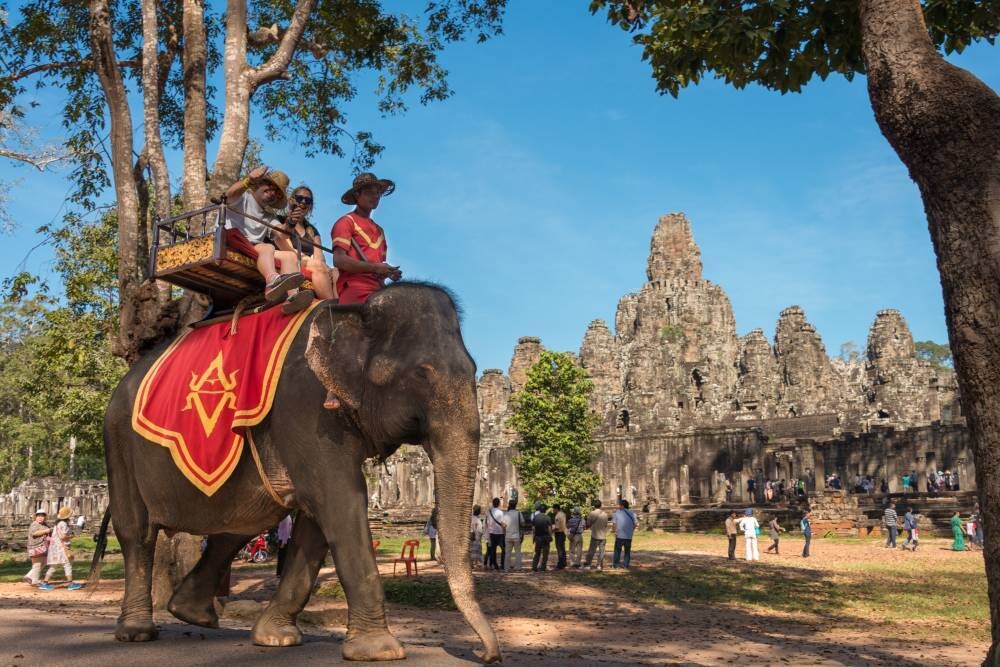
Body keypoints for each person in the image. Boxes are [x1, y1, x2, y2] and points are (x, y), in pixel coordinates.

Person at [224, 165, 310, 313]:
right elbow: (228, 195)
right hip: (233, 240)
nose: (273, 192)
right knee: (268, 247)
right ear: (258, 184)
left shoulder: (268, 216)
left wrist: (290, 222)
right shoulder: (242, 198)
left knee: (290, 256)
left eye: (277, 192)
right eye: (269, 185)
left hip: (254, 249)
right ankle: (272, 282)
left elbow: (282, 234)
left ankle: (292, 298)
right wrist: (249, 180)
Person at [330, 172, 402, 305]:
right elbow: (339, 260)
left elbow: (378, 268)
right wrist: (375, 268)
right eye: (369, 192)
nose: (375, 196)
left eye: (377, 192)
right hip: (355, 287)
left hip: (379, 288)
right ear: (357, 195)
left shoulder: (379, 231)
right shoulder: (346, 222)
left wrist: (388, 272)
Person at [275, 185, 336, 301]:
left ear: (310, 206)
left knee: (336, 272)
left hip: (311, 263)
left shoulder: (312, 230)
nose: (303, 202)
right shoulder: (280, 220)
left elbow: (319, 256)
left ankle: (341, 305)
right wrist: (313, 262)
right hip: (292, 258)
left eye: (308, 200)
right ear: (291, 200)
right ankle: (330, 305)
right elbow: (286, 247)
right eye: (299, 198)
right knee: (318, 265)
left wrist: (327, 268)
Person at [40, 506, 82, 590]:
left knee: (54, 565)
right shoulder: (63, 524)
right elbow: (62, 537)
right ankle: (70, 583)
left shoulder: (58, 523)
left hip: (56, 547)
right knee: (67, 564)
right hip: (61, 547)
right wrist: (71, 536)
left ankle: (45, 583)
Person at [24, 510, 50, 586]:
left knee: (45, 562)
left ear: (45, 517)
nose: (40, 518)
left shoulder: (45, 525)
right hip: (35, 547)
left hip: (43, 547)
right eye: (38, 516)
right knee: (37, 564)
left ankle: (29, 576)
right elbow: (34, 533)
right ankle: (35, 581)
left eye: (42, 516)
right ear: (35, 517)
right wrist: (46, 531)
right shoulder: (34, 524)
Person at [611, 499, 638, 569]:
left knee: (617, 551)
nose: (618, 506)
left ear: (622, 506)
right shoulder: (633, 514)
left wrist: (614, 531)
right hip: (628, 536)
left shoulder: (616, 513)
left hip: (619, 535)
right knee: (627, 551)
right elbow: (635, 524)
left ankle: (616, 564)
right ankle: (626, 565)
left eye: (619, 505)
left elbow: (614, 524)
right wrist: (631, 530)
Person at [583, 499, 609, 570]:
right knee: (601, 552)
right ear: (601, 505)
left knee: (591, 551)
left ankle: (588, 564)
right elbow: (606, 525)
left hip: (595, 535)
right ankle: (599, 565)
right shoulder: (605, 514)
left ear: (594, 505)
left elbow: (588, 523)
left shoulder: (592, 513)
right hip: (603, 535)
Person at [531, 502, 553, 572]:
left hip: (538, 537)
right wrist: (550, 536)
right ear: (546, 510)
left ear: (539, 510)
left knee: (537, 553)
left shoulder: (535, 517)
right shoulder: (548, 517)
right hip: (546, 537)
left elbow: (533, 528)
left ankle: (534, 567)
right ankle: (543, 567)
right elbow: (549, 528)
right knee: (545, 553)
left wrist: (534, 536)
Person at [485, 497, 505, 571]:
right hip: (500, 533)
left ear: (493, 504)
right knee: (504, 549)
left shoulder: (489, 512)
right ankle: (502, 564)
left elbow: (486, 522)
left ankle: (495, 565)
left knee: (493, 550)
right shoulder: (501, 512)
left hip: (491, 533)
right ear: (499, 504)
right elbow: (502, 523)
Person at [503, 499, 523, 571]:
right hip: (517, 535)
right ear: (515, 506)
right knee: (518, 552)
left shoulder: (506, 514)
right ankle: (518, 567)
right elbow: (523, 523)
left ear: (509, 505)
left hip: (508, 535)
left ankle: (506, 567)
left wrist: (505, 532)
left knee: (507, 553)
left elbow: (503, 525)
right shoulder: (519, 514)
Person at [276, 513, 293, 577]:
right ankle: (280, 573)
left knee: (282, 557)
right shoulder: (284, 517)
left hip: (284, 540)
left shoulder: (286, 518)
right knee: (281, 557)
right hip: (282, 539)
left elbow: (287, 531)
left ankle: (282, 573)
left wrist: (283, 542)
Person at [551, 503, 567, 569]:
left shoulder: (557, 516)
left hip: (559, 533)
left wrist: (551, 530)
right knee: (562, 548)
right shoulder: (563, 514)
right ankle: (564, 562)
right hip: (563, 532)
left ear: (556, 509)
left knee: (559, 549)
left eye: (553, 509)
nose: (553, 510)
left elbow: (557, 527)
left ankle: (560, 564)